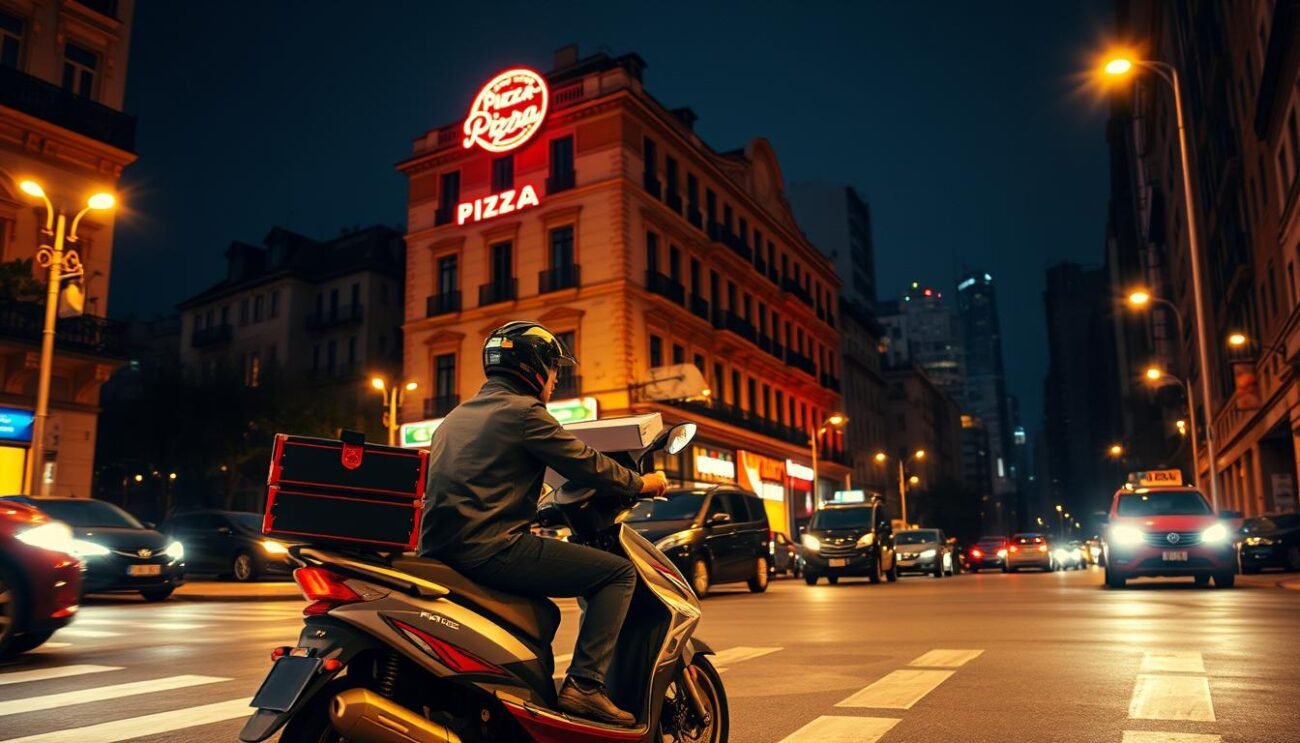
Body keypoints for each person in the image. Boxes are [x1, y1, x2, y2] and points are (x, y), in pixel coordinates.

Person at [419, 321, 668, 726]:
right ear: (533, 367)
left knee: (542, 613)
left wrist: (540, 511)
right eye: (554, 369)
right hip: (490, 549)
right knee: (618, 575)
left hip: (441, 549)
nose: (555, 380)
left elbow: (481, 489)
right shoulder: (524, 413)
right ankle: (586, 686)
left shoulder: (456, 416)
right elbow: (585, 462)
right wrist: (642, 483)